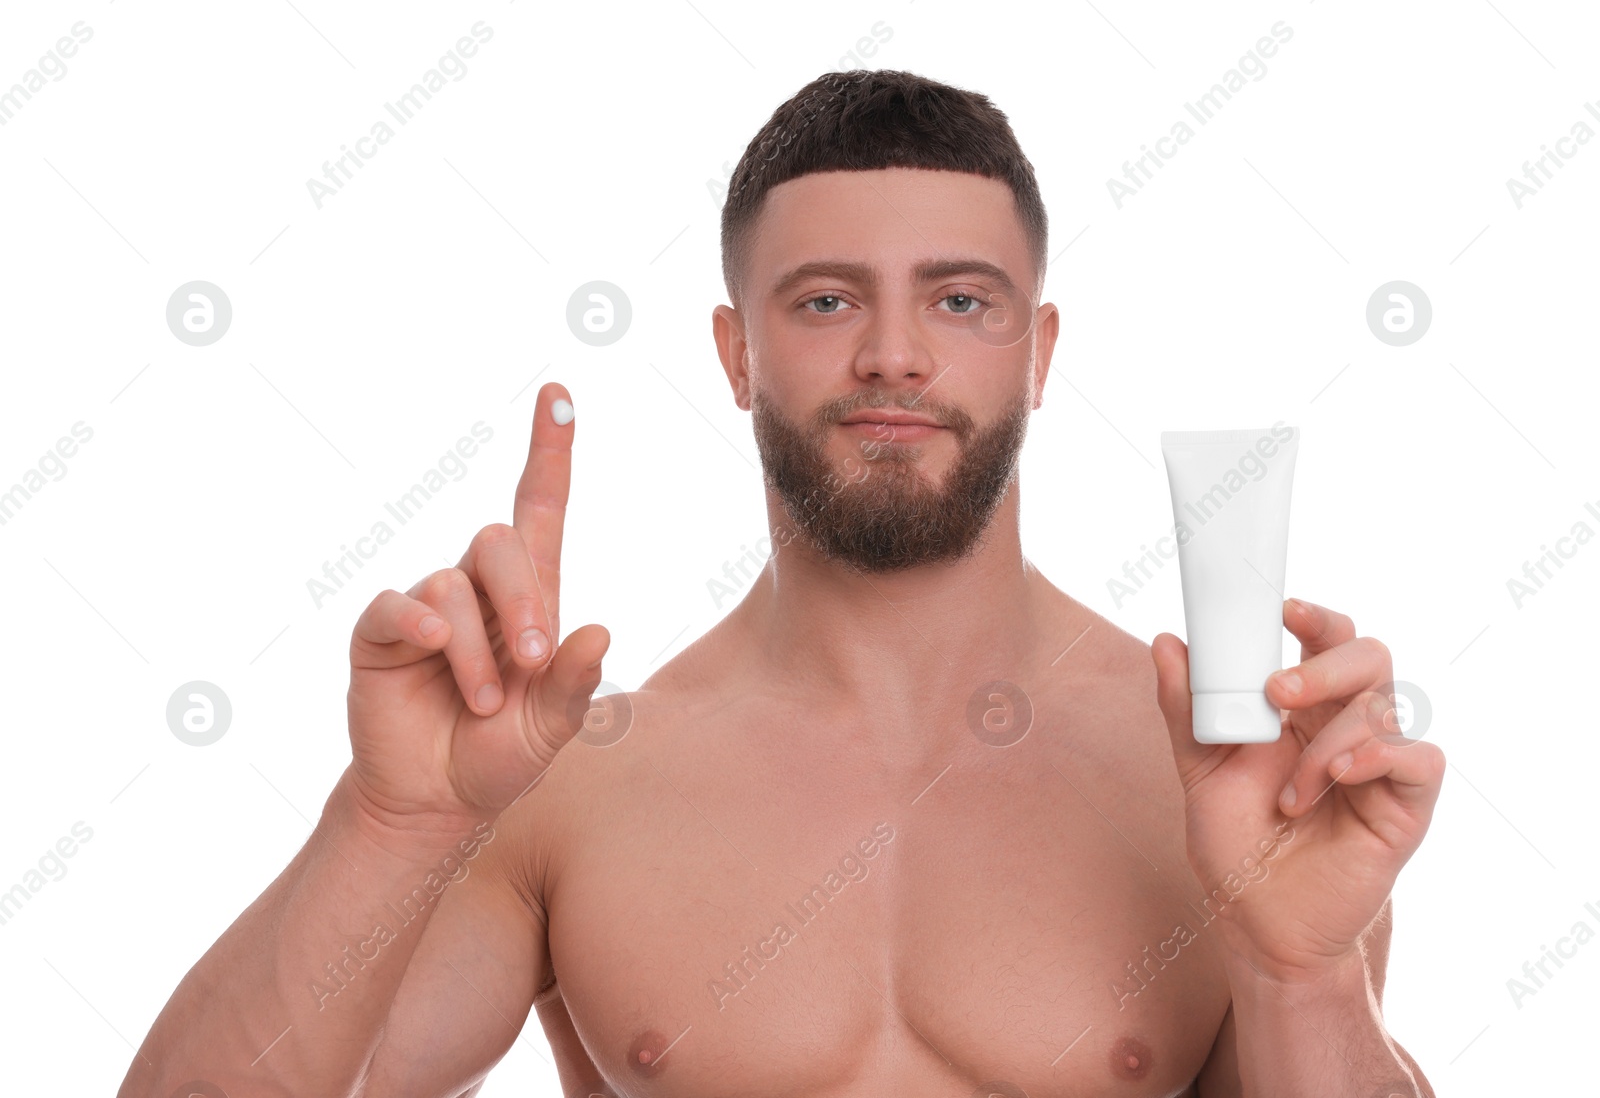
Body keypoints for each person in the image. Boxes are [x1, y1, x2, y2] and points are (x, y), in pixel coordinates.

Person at [121, 69, 1443, 1098]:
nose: (892, 356)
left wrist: (1303, 969)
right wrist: (390, 827)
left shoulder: (1229, 779)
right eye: (823, 302)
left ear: (1040, 352)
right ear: (736, 352)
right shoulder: (573, 790)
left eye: (963, 302)